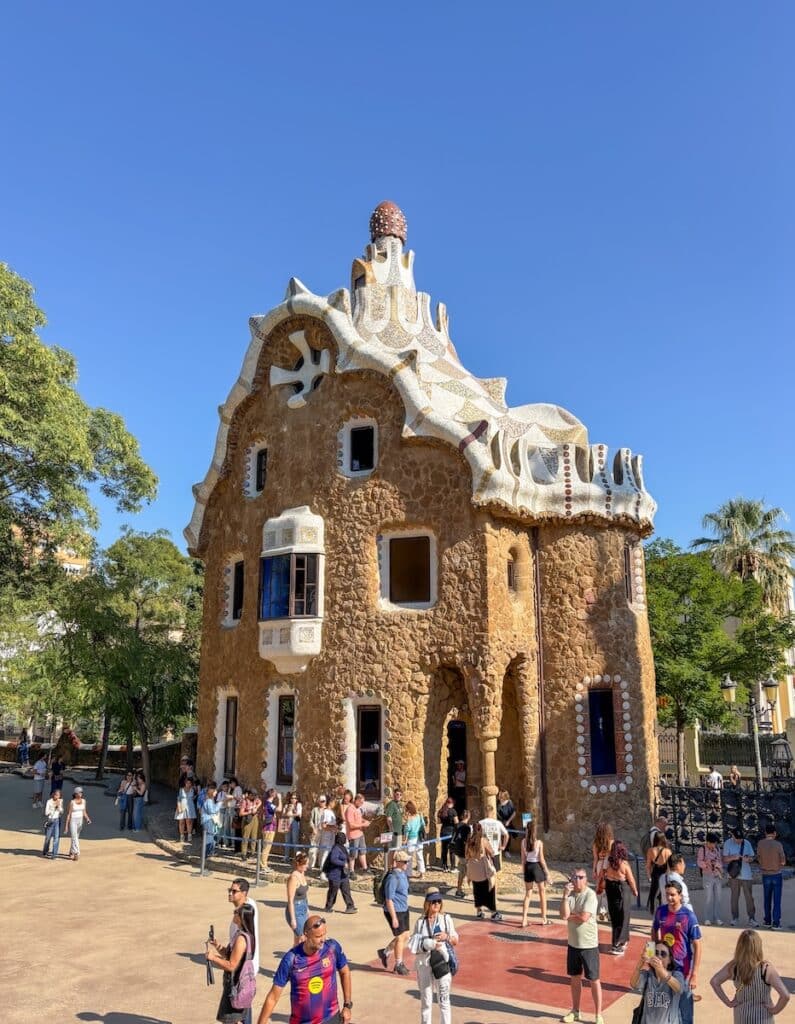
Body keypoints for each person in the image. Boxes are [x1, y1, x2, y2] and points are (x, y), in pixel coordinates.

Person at [257, 915, 352, 1024]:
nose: (323, 940)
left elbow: (345, 972)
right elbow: (273, 997)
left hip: (332, 1018)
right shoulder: (291, 959)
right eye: (318, 936)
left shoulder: (332, 948)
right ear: (306, 934)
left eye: (324, 934)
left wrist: (347, 1005)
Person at [710, 928, 790, 1022]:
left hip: (742, 1016)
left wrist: (728, 1002)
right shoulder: (766, 969)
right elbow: (785, 996)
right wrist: (775, 1010)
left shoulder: (734, 967)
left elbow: (714, 981)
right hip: (763, 1017)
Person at [652, 880, 701, 1024]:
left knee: (685, 1009)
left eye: (673, 895)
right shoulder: (661, 911)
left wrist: (695, 974)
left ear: (680, 895)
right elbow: (654, 930)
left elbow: (698, 945)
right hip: (665, 967)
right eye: (667, 895)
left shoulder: (688, 916)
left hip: (683, 969)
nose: (669, 898)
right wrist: (651, 956)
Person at [408, 890, 459, 1024]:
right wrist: (426, 944)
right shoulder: (420, 922)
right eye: (433, 901)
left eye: (439, 901)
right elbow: (412, 944)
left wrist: (446, 937)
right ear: (427, 904)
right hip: (424, 964)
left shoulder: (446, 919)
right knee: (426, 1001)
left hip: (441, 964)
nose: (436, 904)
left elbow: (455, 940)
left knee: (444, 1001)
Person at [560, 867, 603, 1024]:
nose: (577, 880)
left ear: (586, 879)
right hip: (573, 945)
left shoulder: (590, 895)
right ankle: (575, 1011)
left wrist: (570, 916)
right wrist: (565, 897)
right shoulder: (570, 896)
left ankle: (598, 1015)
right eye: (575, 877)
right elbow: (563, 914)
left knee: (594, 979)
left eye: (581, 877)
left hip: (589, 946)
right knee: (575, 979)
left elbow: (584, 917)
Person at [207, 902, 257, 1024]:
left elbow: (231, 965)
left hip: (235, 985)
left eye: (236, 912)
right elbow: (231, 955)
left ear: (241, 917)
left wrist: (213, 958)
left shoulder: (241, 939)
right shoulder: (246, 935)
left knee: (230, 1020)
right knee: (233, 1020)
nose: (233, 914)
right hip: (240, 984)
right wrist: (218, 946)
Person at [629, 939, 684, 1024]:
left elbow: (679, 988)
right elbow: (633, 984)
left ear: (669, 959)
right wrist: (641, 962)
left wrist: (661, 970)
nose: (659, 956)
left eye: (663, 954)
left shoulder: (676, 975)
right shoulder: (648, 975)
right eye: (656, 953)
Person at [377, 848, 411, 975]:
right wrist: (394, 917)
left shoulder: (402, 874)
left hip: (404, 908)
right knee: (400, 937)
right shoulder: (393, 878)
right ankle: (398, 964)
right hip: (395, 910)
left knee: (406, 935)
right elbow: (389, 899)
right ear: (399, 862)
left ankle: (385, 952)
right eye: (405, 862)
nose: (407, 864)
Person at [604, 839, 638, 955]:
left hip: (610, 888)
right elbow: (631, 879)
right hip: (621, 889)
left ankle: (615, 942)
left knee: (614, 916)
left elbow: (603, 875)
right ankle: (621, 943)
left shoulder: (608, 862)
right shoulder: (624, 864)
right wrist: (635, 891)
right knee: (624, 916)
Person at [465, 822, 502, 921]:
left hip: (473, 869)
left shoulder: (469, 841)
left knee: (477, 890)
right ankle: (494, 912)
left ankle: (479, 911)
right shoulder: (483, 840)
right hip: (483, 869)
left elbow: (466, 856)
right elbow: (492, 853)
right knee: (490, 889)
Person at [723, 827, 757, 927]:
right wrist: (733, 857)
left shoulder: (747, 843)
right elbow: (724, 859)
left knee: (749, 898)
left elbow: (752, 857)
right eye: (737, 838)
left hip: (746, 874)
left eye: (741, 838)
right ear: (732, 836)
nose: (739, 840)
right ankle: (735, 918)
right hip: (733, 874)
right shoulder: (727, 843)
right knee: (734, 897)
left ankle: (752, 918)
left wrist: (749, 859)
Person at [520, 817, 550, 926]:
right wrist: (547, 872)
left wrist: (524, 872)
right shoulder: (539, 843)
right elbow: (541, 859)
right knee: (542, 893)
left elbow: (523, 860)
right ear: (535, 831)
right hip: (536, 867)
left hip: (528, 866)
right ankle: (544, 918)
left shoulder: (523, 842)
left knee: (528, 893)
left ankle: (524, 919)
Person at [756, 822, 785, 930]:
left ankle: (767, 920)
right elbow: (783, 861)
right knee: (777, 900)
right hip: (776, 874)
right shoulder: (778, 844)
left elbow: (758, 858)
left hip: (765, 874)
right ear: (774, 833)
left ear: (765, 833)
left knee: (767, 899)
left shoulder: (760, 843)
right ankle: (776, 922)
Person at [323, 831, 357, 914]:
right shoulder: (336, 848)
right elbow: (333, 859)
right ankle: (328, 907)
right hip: (335, 875)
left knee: (346, 891)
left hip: (343, 875)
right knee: (333, 892)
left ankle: (350, 906)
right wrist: (343, 863)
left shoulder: (342, 847)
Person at [697, 831, 724, 925]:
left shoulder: (717, 849)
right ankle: (707, 918)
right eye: (713, 843)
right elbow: (699, 862)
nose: (714, 845)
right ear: (708, 842)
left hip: (717, 875)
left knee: (718, 897)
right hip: (707, 875)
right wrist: (706, 864)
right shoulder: (702, 849)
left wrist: (717, 864)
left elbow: (721, 862)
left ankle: (718, 918)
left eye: (715, 843)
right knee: (708, 897)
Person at [344, 792, 370, 878]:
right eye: (361, 802)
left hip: (360, 833)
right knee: (353, 854)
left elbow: (359, 818)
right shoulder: (350, 810)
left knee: (362, 852)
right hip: (353, 835)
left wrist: (364, 821)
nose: (362, 804)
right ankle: (351, 871)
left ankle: (365, 869)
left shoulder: (357, 809)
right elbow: (351, 825)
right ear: (356, 800)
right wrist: (363, 825)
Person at [286, 852, 311, 942]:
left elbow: (304, 894)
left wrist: (307, 908)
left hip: (303, 907)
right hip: (295, 910)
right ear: (299, 864)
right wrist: (293, 919)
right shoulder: (293, 878)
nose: (307, 866)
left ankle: (294, 955)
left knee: (298, 939)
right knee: (303, 938)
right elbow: (290, 900)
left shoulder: (302, 873)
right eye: (305, 864)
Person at [591, 822, 614, 922]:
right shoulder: (611, 843)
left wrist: (594, 871)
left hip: (600, 865)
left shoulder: (596, 844)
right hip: (608, 866)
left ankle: (598, 910)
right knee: (608, 890)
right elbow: (612, 857)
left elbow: (595, 858)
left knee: (600, 889)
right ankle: (606, 912)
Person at [645, 830, 672, 913]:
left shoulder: (651, 850)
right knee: (664, 890)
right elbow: (669, 866)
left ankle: (652, 907)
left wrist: (649, 876)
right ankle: (662, 905)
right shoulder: (667, 851)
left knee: (653, 890)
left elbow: (648, 865)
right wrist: (669, 875)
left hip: (656, 871)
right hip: (664, 871)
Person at [65, 785, 92, 861]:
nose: (80, 794)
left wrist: (87, 819)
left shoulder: (84, 801)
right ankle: (76, 852)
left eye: (81, 792)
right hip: (73, 820)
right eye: (79, 792)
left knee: (76, 837)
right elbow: (69, 814)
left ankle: (71, 852)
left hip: (80, 820)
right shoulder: (72, 802)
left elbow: (84, 812)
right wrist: (66, 825)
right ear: (75, 794)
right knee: (74, 837)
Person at [314, 793, 337, 879]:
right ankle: (322, 872)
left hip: (330, 836)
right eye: (334, 802)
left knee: (328, 854)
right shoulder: (327, 812)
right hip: (327, 836)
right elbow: (324, 825)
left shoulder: (330, 812)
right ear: (330, 802)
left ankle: (326, 871)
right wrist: (333, 828)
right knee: (325, 854)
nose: (335, 804)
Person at [451, 809, 472, 898]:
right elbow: (466, 841)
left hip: (458, 851)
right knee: (469, 872)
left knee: (462, 871)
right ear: (468, 816)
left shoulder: (457, 825)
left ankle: (459, 889)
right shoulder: (466, 827)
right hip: (464, 852)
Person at [259, 787, 281, 870]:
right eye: (275, 793)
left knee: (267, 847)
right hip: (269, 827)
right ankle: (263, 865)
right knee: (266, 847)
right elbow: (279, 809)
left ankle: (264, 864)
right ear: (272, 794)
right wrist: (280, 799)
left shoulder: (266, 803)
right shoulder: (269, 803)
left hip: (268, 827)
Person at [383, 786, 404, 867]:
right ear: (394, 795)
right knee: (392, 851)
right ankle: (390, 867)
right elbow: (388, 818)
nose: (398, 796)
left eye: (400, 795)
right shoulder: (391, 804)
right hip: (393, 832)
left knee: (397, 850)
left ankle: (393, 867)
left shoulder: (400, 805)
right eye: (397, 794)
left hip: (399, 831)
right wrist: (392, 829)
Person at [437, 796, 458, 871]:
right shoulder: (453, 811)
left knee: (444, 850)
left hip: (443, 832)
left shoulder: (441, 811)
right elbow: (456, 822)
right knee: (452, 850)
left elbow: (439, 822)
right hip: (451, 832)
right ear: (451, 803)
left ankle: (444, 867)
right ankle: (452, 867)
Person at [240, 789, 262, 862]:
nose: (254, 797)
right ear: (248, 794)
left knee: (254, 836)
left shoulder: (255, 799)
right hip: (247, 819)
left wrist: (256, 808)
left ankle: (252, 853)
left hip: (255, 818)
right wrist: (249, 812)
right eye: (252, 795)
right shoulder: (244, 801)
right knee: (245, 837)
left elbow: (260, 802)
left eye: (255, 795)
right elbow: (241, 813)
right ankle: (244, 854)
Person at [202, 783, 222, 858]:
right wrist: (220, 804)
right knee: (209, 838)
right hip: (208, 821)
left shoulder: (210, 800)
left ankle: (210, 852)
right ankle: (205, 855)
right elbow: (212, 811)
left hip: (211, 821)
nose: (216, 793)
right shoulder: (209, 801)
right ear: (212, 791)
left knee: (212, 837)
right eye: (215, 791)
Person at [42, 789, 64, 859]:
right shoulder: (49, 802)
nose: (57, 797)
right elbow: (46, 812)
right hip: (50, 820)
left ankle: (54, 854)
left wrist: (59, 806)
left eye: (58, 795)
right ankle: (45, 850)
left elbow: (62, 811)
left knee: (56, 838)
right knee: (48, 838)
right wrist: (53, 808)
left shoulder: (60, 801)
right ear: (53, 795)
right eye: (55, 795)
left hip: (57, 820)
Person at [308, 794, 328, 869]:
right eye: (321, 801)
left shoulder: (327, 810)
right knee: (313, 848)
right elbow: (311, 821)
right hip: (316, 831)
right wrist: (313, 828)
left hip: (324, 831)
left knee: (322, 849)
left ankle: (320, 864)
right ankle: (311, 865)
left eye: (323, 801)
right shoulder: (315, 810)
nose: (322, 802)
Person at [496, 790, 516, 856]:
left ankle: (506, 850)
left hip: (506, 822)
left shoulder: (509, 802)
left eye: (500, 795)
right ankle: (497, 848)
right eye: (499, 795)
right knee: (496, 835)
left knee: (507, 835)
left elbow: (514, 813)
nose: (499, 796)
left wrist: (508, 821)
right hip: (498, 822)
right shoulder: (497, 802)